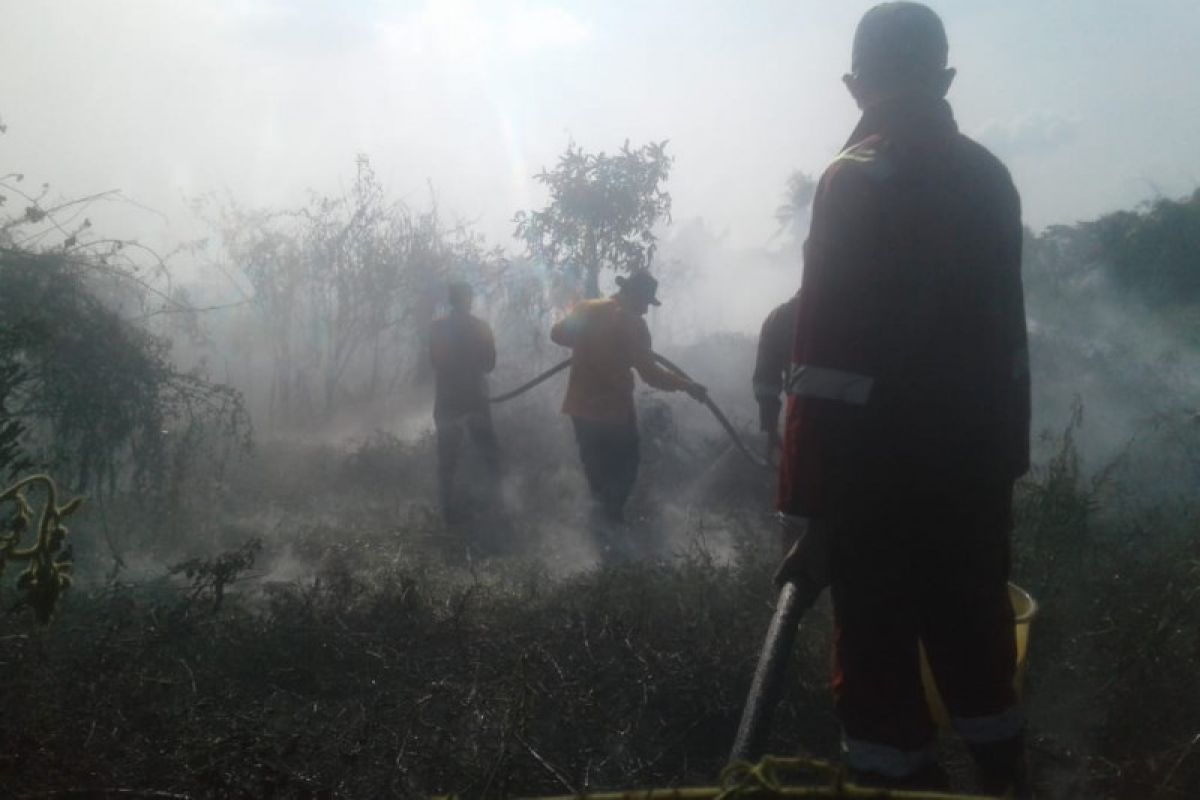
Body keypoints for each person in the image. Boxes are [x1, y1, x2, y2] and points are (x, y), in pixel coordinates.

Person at [775, 3, 1032, 795]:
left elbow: (825, 362)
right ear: (946, 78)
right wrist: (1001, 467)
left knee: (878, 659)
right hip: (974, 470)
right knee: (977, 634)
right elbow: (1004, 342)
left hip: (874, 481)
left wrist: (809, 508)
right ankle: (1007, 776)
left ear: (855, 86)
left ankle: (899, 780)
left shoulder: (851, 180)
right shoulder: (990, 176)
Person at [550, 271, 707, 550]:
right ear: (633, 295)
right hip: (613, 413)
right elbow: (651, 375)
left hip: (580, 409)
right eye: (645, 301)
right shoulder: (633, 325)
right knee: (625, 467)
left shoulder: (588, 308)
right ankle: (611, 526)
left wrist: (588, 339)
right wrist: (687, 386)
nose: (646, 309)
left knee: (595, 470)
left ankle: (600, 531)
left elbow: (557, 334)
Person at [430, 281, 501, 522]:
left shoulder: (437, 328)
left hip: (448, 399)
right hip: (475, 398)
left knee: (446, 459)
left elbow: (435, 362)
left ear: (451, 300)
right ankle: (498, 506)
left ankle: (446, 511)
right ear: (469, 300)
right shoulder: (481, 328)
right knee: (489, 455)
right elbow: (490, 364)